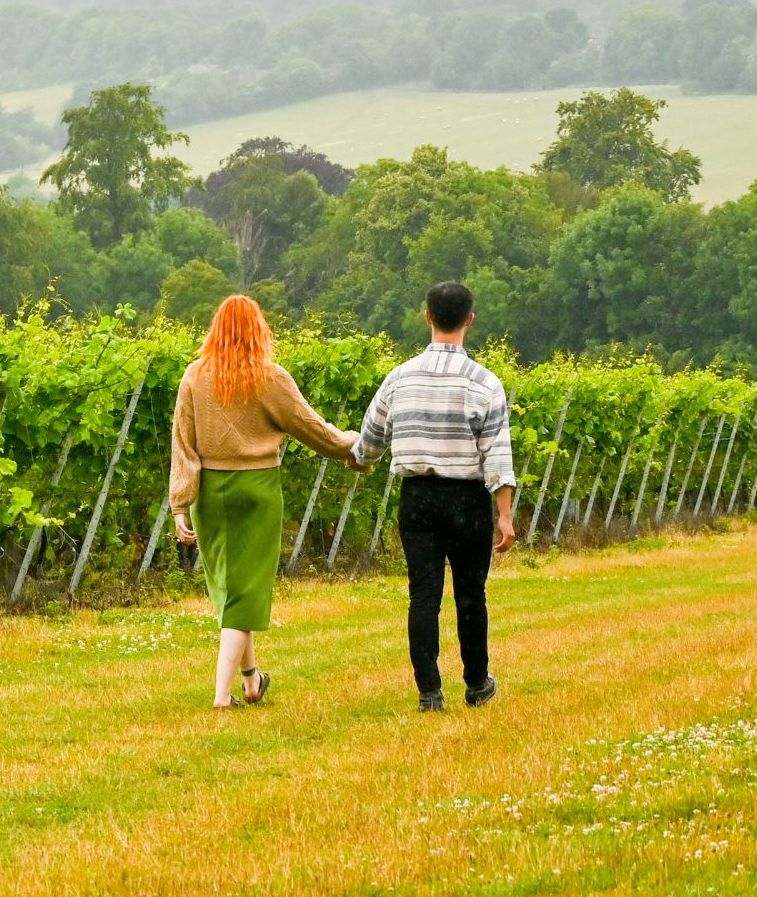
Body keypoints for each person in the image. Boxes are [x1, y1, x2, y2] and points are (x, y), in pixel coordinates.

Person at [170, 295, 359, 709]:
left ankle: (252, 681)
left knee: (232, 588)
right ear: (259, 331)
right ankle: (222, 696)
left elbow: (183, 443)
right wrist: (354, 446)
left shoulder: (194, 376)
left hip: (210, 495)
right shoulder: (269, 378)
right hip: (256, 490)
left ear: (215, 329)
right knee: (247, 590)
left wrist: (181, 503)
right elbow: (311, 428)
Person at [350, 280, 517, 712]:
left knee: (423, 594)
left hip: (417, 497)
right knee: (470, 594)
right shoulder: (485, 383)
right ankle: (477, 682)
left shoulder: (399, 377)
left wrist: (358, 459)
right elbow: (497, 454)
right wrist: (504, 515)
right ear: (470, 320)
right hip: (467, 500)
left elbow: (370, 439)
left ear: (427, 317)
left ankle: (429, 691)